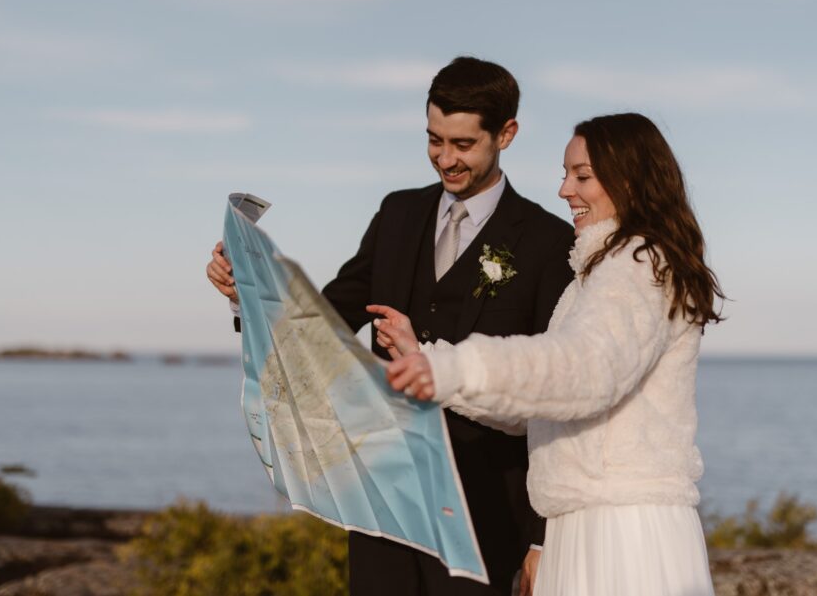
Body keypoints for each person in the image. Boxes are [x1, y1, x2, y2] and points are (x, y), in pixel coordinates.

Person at [206, 56, 576, 596]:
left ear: (507, 134)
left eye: (463, 144)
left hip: (485, 519)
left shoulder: (546, 243)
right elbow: (324, 322)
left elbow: (553, 404)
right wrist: (248, 296)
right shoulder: (398, 214)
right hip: (380, 502)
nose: (445, 159)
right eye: (434, 140)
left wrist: (542, 540)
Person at [373, 113, 724, 595]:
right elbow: (540, 410)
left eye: (582, 176)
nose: (564, 191)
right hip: (584, 521)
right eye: (565, 174)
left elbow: (582, 372)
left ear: (631, 179)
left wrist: (451, 368)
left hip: (620, 531)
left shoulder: (640, 262)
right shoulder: (598, 275)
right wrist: (427, 358)